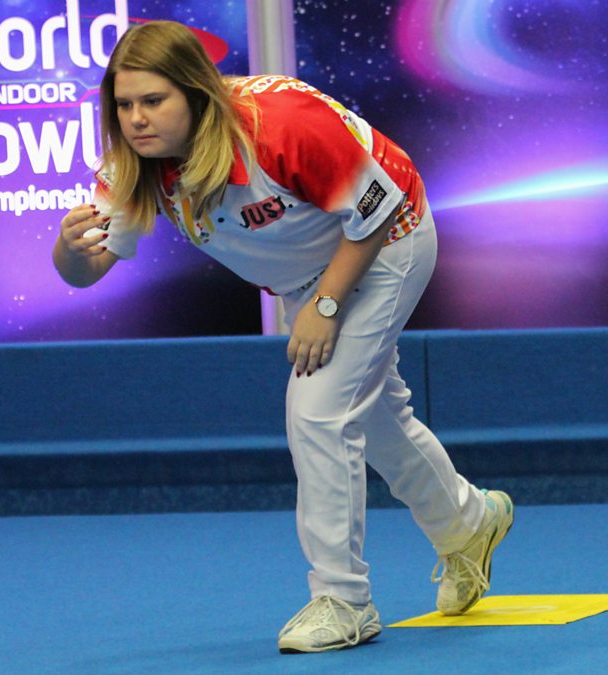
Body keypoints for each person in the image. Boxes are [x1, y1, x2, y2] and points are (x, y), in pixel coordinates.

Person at [52, 20, 514, 653]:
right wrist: (68, 250)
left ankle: (344, 601)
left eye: (153, 100)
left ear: (195, 92)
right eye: (124, 104)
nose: (136, 119)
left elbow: (376, 209)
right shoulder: (135, 162)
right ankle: (468, 523)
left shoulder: (281, 124)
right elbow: (86, 272)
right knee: (378, 422)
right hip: (309, 275)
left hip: (387, 240)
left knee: (318, 411)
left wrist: (325, 304)